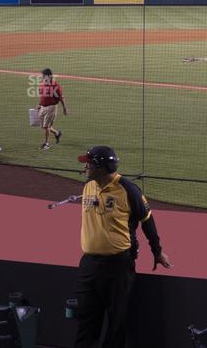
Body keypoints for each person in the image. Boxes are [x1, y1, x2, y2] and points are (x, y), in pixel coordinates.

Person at [75, 146, 172, 348]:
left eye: (89, 163)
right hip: (89, 264)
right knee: (86, 320)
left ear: (101, 167)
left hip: (117, 266)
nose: (85, 166)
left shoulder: (128, 190)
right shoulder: (88, 186)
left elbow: (147, 220)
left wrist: (157, 251)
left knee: (116, 321)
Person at [36, 69, 67, 150]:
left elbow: (61, 98)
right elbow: (42, 96)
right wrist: (39, 105)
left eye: (43, 75)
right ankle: (57, 133)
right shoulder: (42, 84)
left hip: (51, 107)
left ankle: (46, 144)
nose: (42, 77)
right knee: (44, 126)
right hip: (43, 107)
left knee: (46, 127)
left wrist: (64, 108)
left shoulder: (55, 86)